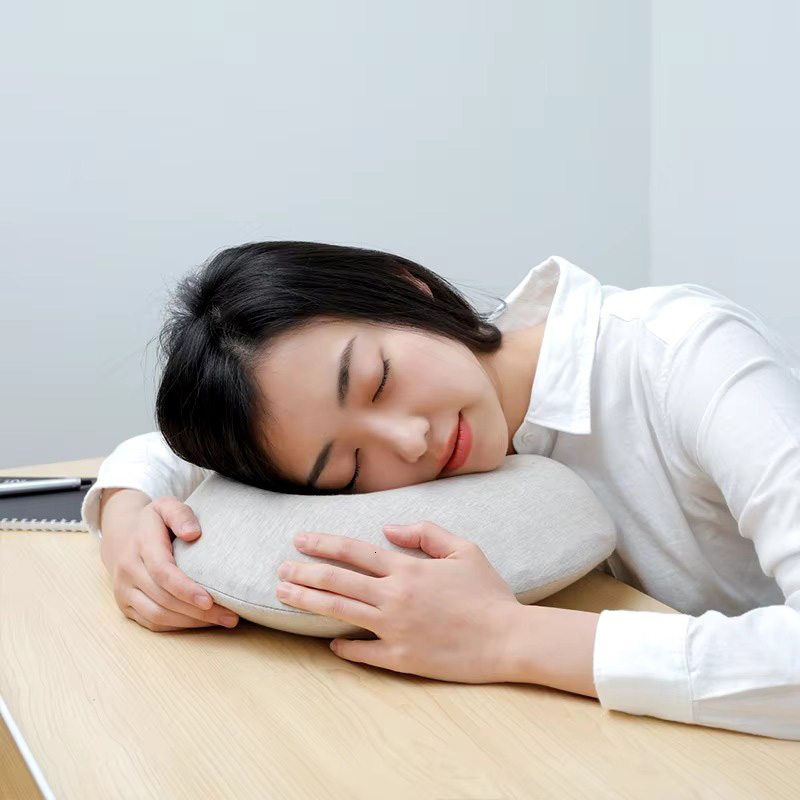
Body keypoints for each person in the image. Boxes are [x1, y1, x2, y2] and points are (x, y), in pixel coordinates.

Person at [83, 241, 800, 741]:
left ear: (409, 289)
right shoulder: (451, 407)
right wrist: (125, 510)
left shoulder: (687, 358)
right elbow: (165, 452)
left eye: (378, 382)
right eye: (348, 468)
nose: (408, 441)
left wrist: (506, 637)